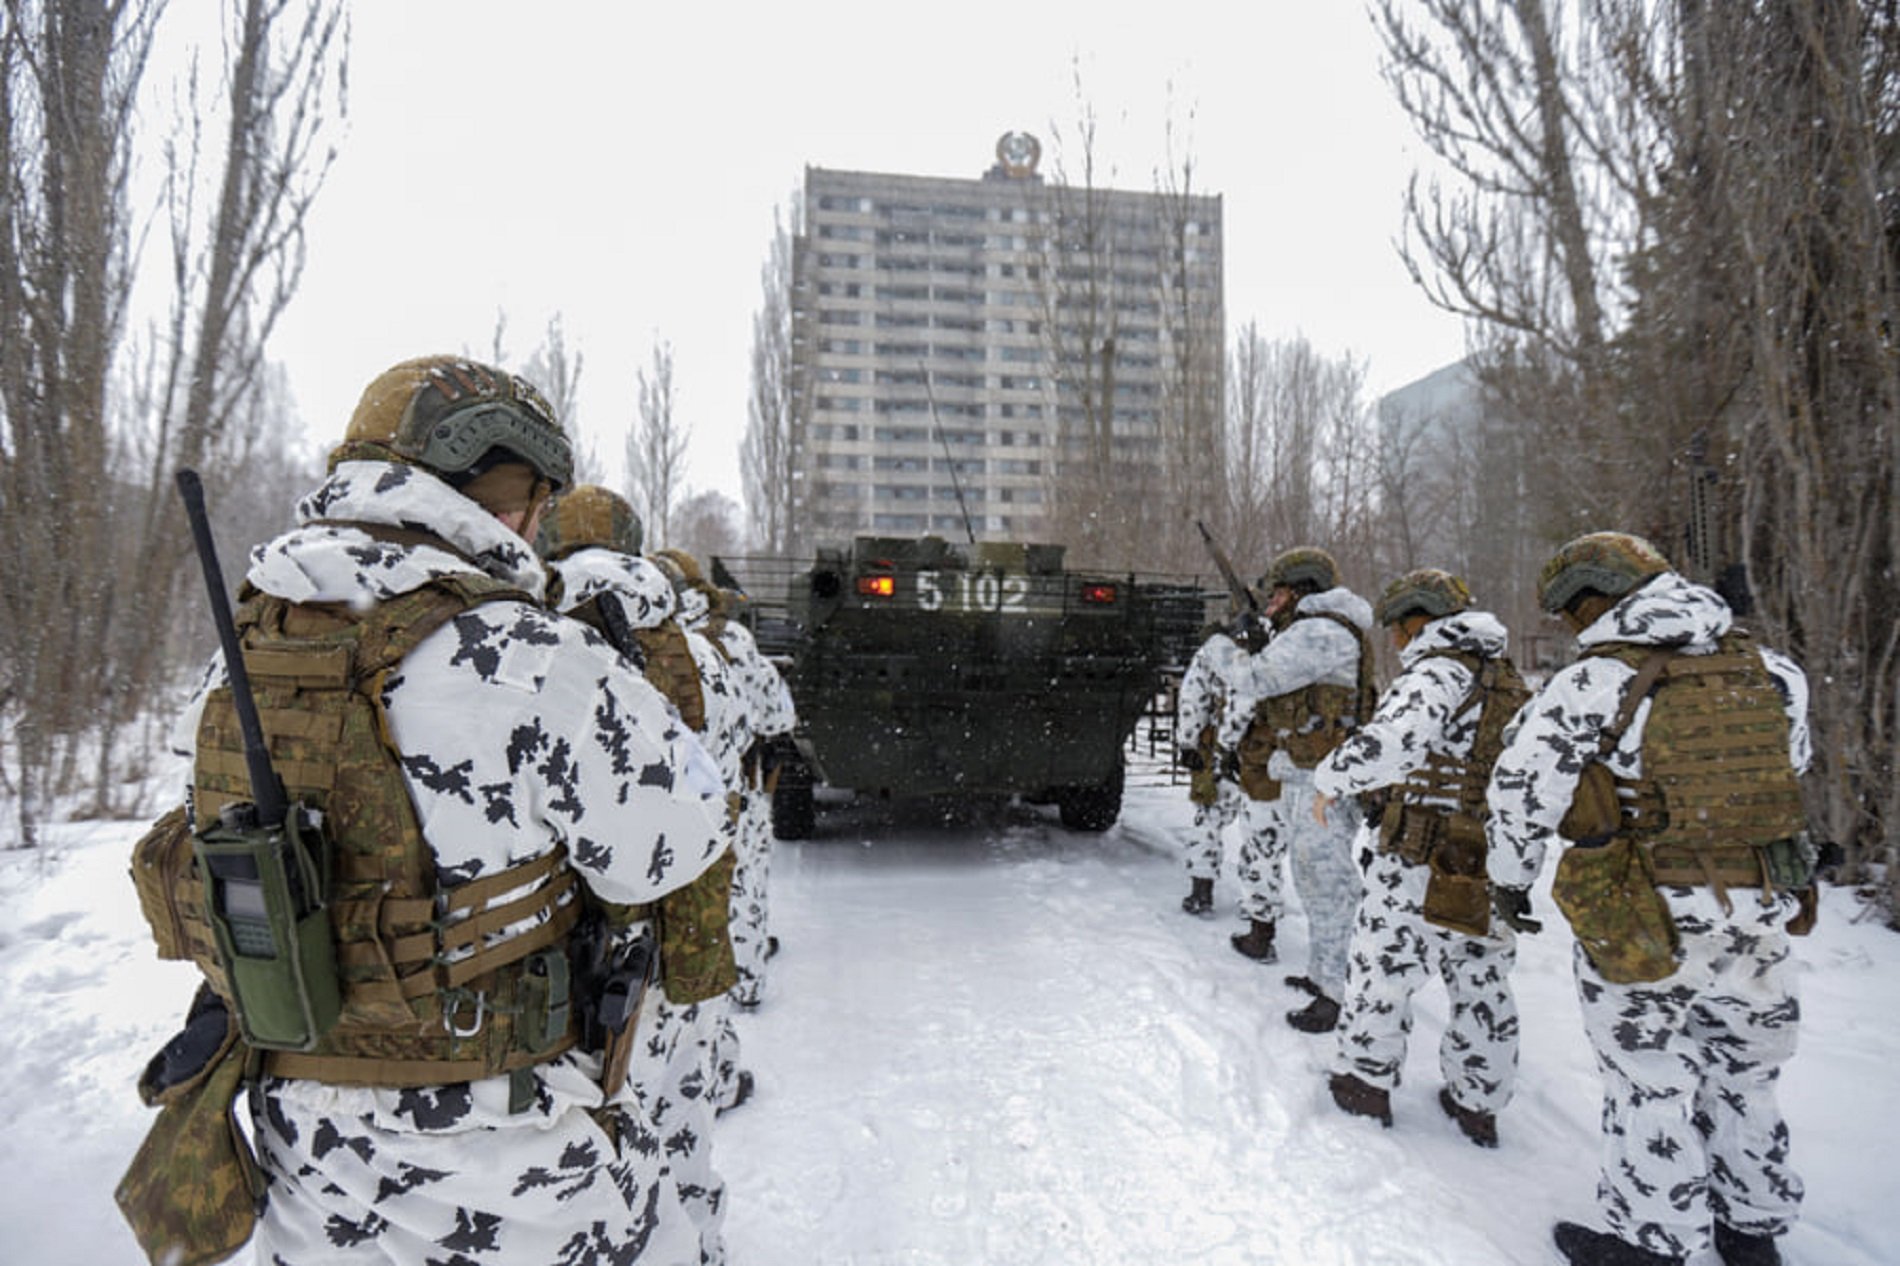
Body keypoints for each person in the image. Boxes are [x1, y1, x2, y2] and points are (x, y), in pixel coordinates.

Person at [166, 357, 730, 1265]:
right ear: (506, 495)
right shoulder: (529, 654)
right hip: (502, 1153)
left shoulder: (241, 651)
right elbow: (676, 842)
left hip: (300, 1139)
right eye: (533, 496)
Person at [1486, 532, 1815, 1266]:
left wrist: (1510, 879)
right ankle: (1751, 1232)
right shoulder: (1774, 670)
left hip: (1642, 913)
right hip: (1754, 908)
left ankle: (1653, 1242)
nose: (1573, 624)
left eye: (1574, 609)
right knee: (1745, 1076)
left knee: (1649, 1082)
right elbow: (1791, 769)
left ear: (1598, 598)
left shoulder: (1594, 681)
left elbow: (1518, 795)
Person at [538, 485, 750, 1265]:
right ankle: (697, 1244)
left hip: (572, 961)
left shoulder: (524, 639)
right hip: (680, 942)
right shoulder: (700, 656)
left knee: (587, 1151)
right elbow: (727, 767)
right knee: (679, 1117)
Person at [1309, 568, 1529, 1146]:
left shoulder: (1436, 673)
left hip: (1418, 860)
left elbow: (1393, 744)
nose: (1397, 644)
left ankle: (1363, 1083)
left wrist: (1329, 778)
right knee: (1481, 981)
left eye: (1398, 631)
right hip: (1487, 858)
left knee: (1383, 974)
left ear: (1418, 621)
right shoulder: (1507, 681)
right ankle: (1477, 1103)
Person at [1217, 547, 1375, 1032]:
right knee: (1315, 881)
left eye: (1279, 592)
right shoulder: (1315, 629)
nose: (1272, 602)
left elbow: (1253, 679)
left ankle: (1338, 992)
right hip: (1313, 772)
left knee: (1328, 886)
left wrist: (1229, 643)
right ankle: (1323, 974)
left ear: (1301, 590)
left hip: (1323, 780)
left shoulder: (1320, 630)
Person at [1173, 607, 1259, 915]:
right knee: (1258, 831)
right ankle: (1255, 905)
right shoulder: (1273, 648)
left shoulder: (1214, 651)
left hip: (1219, 750)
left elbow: (1192, 698)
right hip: (1260, 753)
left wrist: (1188, 742)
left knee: (1208, 819)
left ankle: (1201, 892)